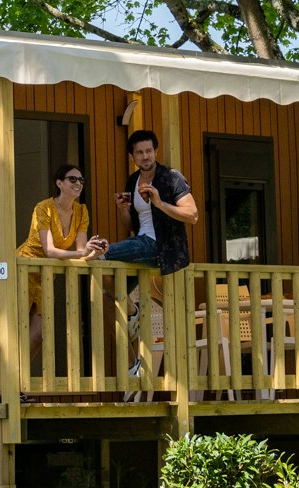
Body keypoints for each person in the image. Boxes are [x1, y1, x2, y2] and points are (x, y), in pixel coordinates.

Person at [17, 163, 99, 359]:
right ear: (59, 183)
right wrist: (82, 254)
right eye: (72, 179)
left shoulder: (81, 211)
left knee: (38, 335)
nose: (78, 183)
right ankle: (9, 384)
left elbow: (82, 250)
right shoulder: (43, 208)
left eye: (81, 180)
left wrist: (95, 250)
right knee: (16, 329)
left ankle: (17, 382)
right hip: (24, 269)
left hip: (46, 275)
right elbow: (50, 250)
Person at [101, 129, 197, 275]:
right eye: (139, 152)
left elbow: (193, 215)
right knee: (109, 286)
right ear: (132, 156)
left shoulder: (171, 177)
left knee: (101, 251)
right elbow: (129, 225)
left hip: (163, 248)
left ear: (155, 152)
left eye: (149, 151)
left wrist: (160, 203)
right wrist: (123, 209)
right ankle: (123, 298)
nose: (145, 156)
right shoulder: (133, 181)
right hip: (140, 244)